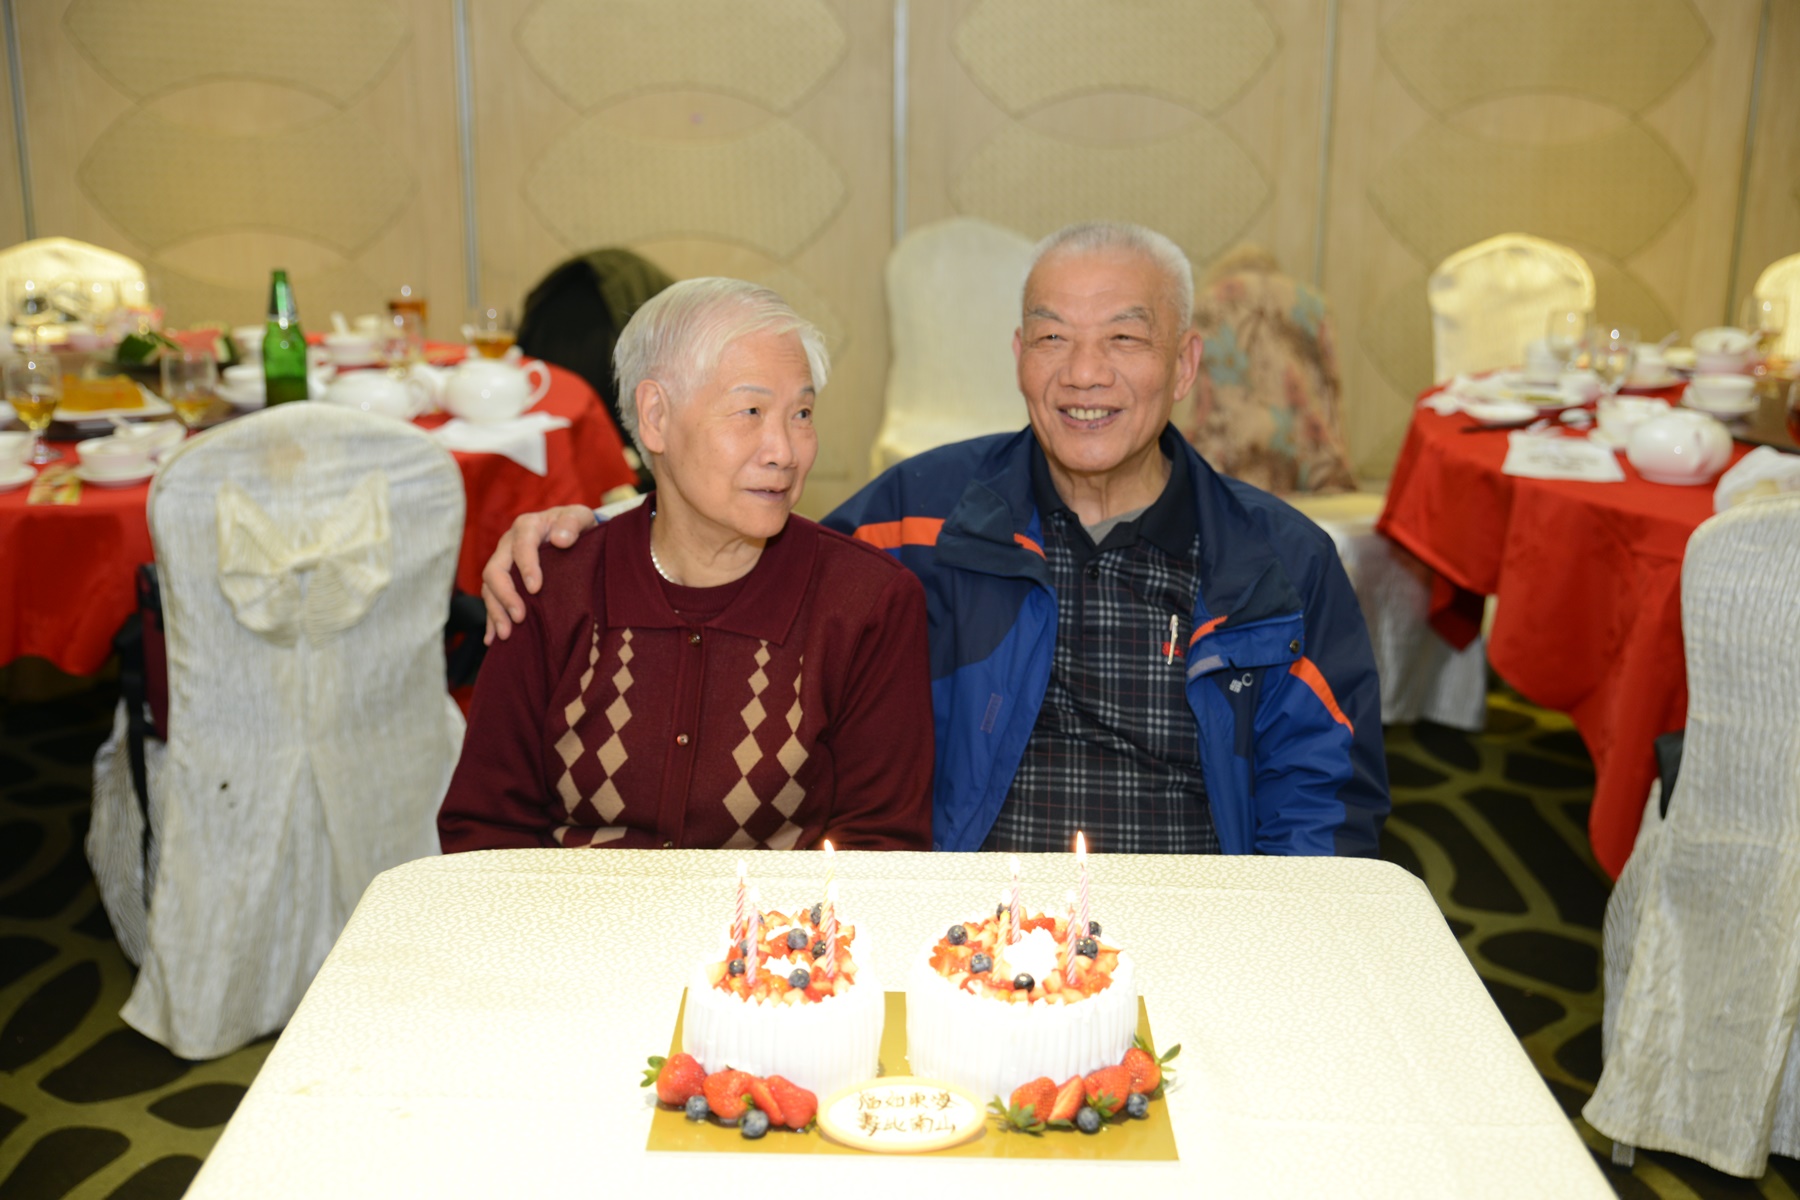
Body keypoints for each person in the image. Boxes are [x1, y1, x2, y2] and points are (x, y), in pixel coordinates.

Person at [479, 223, 1389, 857]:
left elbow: (1327, 805)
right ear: (1019, 357)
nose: (1085, 374)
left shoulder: (1276, 562)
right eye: (1053, 338)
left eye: (1124, 339)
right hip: (965, 926)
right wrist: (592, 533)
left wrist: (1267, 950)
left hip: (1190, 920)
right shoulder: (919, 515)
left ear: (1183, 364)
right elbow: (740, 540)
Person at [439, 278, 933, 853]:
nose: (784, 451)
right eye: (750, 411)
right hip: (572, 912)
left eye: (801, 413)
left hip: (778, 916)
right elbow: (484, 831)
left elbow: (882, 850)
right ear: (655, 416)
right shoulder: (552, 587)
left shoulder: (864, 605)